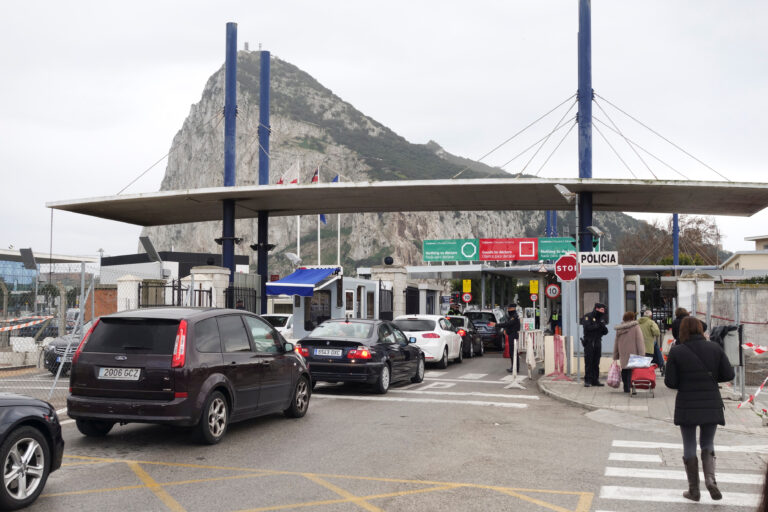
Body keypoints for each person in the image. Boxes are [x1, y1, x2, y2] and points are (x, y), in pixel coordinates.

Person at [664, 316, 735, 502]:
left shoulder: (677, 351)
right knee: (707, 443)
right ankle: (711, 481)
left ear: (682, 331)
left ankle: (693, 490)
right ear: (701, 330)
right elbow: (729, 374)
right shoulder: (715, 348)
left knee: (689, 444)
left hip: (687, 404)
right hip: (711, 402)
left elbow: (670, 382)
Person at [611, 311, 645, 394]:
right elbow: (639, 341)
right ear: (632, 318)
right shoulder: (635, 327)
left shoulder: (619, 328)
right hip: (633, 352)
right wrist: (642, 354)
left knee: (624, 369)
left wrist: (615, 355)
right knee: (632, 371)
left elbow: (616, 342)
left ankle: (626, 387)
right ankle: (631, 387)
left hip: (622, 352)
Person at [581, 302, 608, 387]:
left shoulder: (602, 318)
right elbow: (588, 328)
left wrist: (602, 327)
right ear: (597, 308)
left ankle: (595, 380)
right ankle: (588, 380)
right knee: (589, 362)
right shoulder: (588, 316)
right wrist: (598, 326)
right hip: (589, 342)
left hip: (597, 342)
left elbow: (605, 331)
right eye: (602, 309)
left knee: (596, 362)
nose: (603, 311)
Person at [494, 304, 521, 373]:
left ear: (512, 309)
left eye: (509, 309)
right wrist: (506, 329)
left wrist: (496, 325)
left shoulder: (514, 316)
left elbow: (508, 324)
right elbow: (508, 324)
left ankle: (515, 367)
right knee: (512, 352)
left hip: (513, 335)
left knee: (513, 352)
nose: (508, 310)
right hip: (511, 335)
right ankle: (514, 366)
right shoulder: (512, 316)